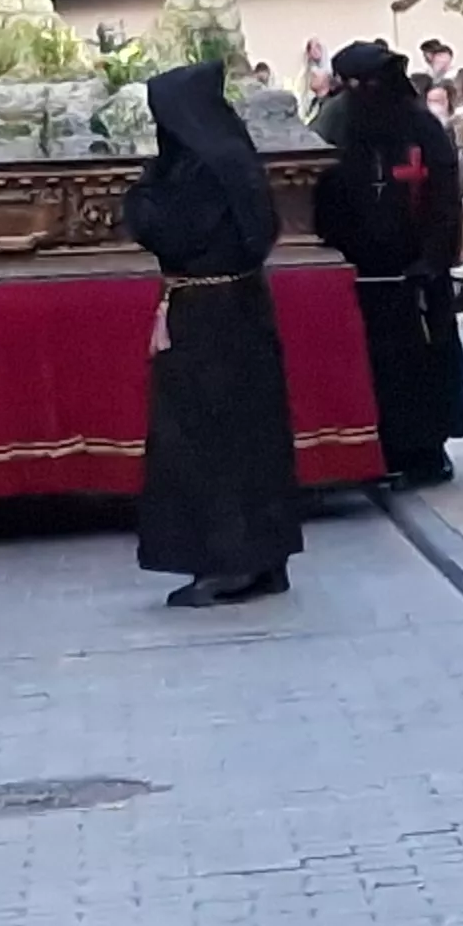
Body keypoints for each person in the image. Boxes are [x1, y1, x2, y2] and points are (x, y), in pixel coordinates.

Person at [130, 64, 306, 607]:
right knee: (251, 434)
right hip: (238, 306)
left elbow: (167, 229)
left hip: (210, 319)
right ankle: (263, 554)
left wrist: (140, 194)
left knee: (209, 439)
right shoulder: (232, 156)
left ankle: (229, 560)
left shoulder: (203, 170)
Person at [313, 44, 463, 489]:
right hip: (358, 272)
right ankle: (375, 450)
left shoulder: (421, 126)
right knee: (373, 365)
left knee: (424, 361)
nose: (365, 93)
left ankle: (427, 451)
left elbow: (444, 197)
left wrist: (434, 258)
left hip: (414, 271)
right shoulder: (335, 122)